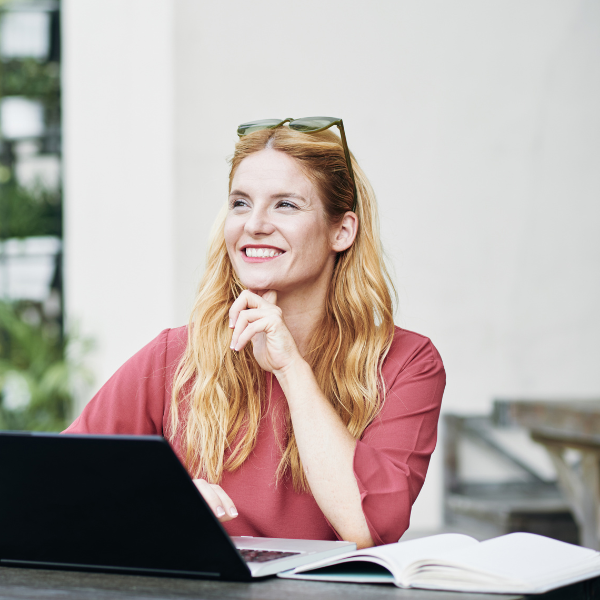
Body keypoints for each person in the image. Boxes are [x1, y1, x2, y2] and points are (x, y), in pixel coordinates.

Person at [64, 117, 445, 548]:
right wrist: (154, 497)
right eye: (241, 203)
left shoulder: (407, 363)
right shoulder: (176, 355)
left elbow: (366, 528)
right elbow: (54, 481)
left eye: (285, 205)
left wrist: (290, 368)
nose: (254, 224)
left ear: (342, 230)